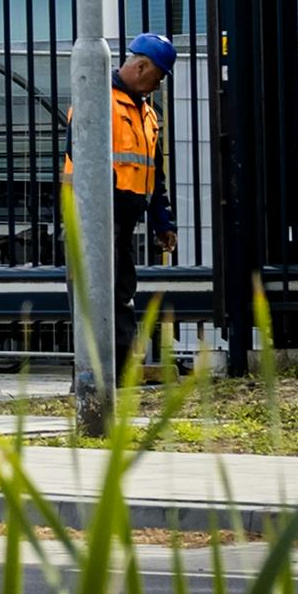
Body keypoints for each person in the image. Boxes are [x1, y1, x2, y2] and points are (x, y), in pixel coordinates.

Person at [107, 35, 181, 365]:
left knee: (122, 291)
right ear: (141, 66)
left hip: (122, 222)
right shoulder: (101, 101)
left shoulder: (147, 115)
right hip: (97, 220)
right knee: (100, 295)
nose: (158, 84)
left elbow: (154, 175)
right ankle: (99, 372)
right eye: (159, 76)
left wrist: (163, 223)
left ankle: (119, 370)